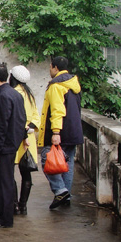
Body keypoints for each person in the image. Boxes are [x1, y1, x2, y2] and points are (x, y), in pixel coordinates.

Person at [0, 64, 27, 228]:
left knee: (2, 183)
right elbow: (22, 119)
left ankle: (5, 218)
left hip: (2, 148)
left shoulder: (2, 96)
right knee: (5, 182)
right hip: (10, 145)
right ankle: (2, 214)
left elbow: (1, 125)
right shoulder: (14, 94)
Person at [38, 56, 84, 209]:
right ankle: (66, 196)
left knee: (47, 159)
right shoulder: (74, 83)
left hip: (61, 131)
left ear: (55, 68)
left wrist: (56, 132)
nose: (50, 70)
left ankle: (60, 190)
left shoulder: (56, 85)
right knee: (67, 164)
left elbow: (57, 110)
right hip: (74, 130)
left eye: (50, 67)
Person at [9, 65, 40, 215]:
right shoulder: (30, 95)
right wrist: (29, 128)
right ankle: (23, 206)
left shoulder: (13, 94)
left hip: (15, 136)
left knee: (10, 171)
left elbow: (14, 117)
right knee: (26, 171)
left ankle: (14, 205)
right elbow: (36, 116)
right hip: (29, 137)